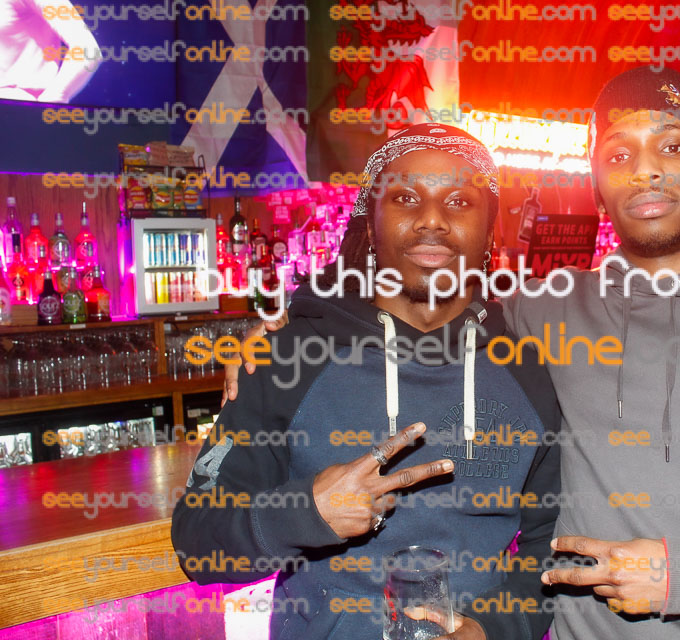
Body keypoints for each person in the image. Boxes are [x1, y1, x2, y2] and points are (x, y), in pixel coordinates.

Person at [224, 67, 680, 640]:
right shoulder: (544, 311)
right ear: (597, 181)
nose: (646, 172)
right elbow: (419, 301)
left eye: (672, 147)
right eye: (619, 154)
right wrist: (287, 329)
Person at [173, 123, 561, 640]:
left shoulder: (529, 371)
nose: (432, 219)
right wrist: (306, 513)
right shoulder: (288, 357)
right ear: (371, 225)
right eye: (405, 197)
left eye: (459, 201)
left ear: (490, 232)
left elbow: (551, 549)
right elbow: (197, 540)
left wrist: (491, 629)